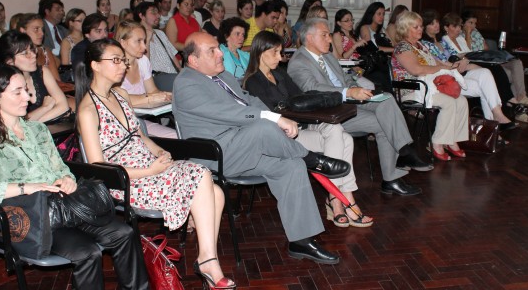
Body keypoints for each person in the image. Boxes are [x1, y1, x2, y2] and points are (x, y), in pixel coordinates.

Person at [0, 64, 154, 290]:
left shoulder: (37, 130)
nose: (29, 98)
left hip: (63, 208)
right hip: (32, 219)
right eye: (18, 92)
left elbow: (61, 168)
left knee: (124, 233)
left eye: (27, 90)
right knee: (88, 252)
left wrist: (67, 179)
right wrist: (26, 187)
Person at [75, 39, 235, 290]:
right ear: (95, 65)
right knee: (203, 175)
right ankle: (208, 262)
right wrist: (150, 171)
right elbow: (99, 169)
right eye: (114, 60)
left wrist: (159, 151)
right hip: (128, 180)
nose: (122, 66)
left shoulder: (120, 94)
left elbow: (140, 137)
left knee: (215, 192)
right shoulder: (87, 109)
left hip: (150, 167)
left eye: (123, 60)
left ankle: (207, 258)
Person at [173, 31, 350, 265]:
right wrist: (273, 120)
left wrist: (275, 116)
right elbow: (228, 113)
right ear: (193, 60)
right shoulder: (185, 83)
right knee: (263, 128)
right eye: (212, 51)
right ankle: (313, 160)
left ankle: (302, 240)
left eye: (218, 48)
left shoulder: (223, 76)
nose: (220, 54)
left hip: (245, 146)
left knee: (291, 165)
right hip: (215, 154)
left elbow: (249, 100)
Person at [288, 18, 432, 196]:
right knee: (385, 124)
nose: (330, 39)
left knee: (386, 99)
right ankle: (394, 173)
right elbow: (312, 89)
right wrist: (348, 92)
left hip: (348, 104)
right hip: (327, 114)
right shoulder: (298, 61)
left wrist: (356, 83)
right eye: (324, 35)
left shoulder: (327, 56)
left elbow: (344, 78)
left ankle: (403, 153)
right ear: (309, 37)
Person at [242, 31, 373, 227]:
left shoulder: (279, 73)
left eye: (280, 52)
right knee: (343, 138)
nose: (280, 57)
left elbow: (300, 97)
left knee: (340, 134)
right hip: (282, 138)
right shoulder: (253, 81)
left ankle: (336, 198)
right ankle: (343, 200)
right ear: (261, 52)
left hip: (299, 130)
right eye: (276, 52)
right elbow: (272, 114)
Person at [390, 11, 469, 161]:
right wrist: (440, 69)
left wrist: (454, 66)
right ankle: (437, 143)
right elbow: (416, 70)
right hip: (410, 90)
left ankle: (451, 140)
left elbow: (438, 62)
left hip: (429, 87)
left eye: (421, 26)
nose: (420, 29)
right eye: (416, 27)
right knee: (449, 102)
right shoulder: (402, 48)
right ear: (405, 29)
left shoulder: (420, 45)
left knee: (462, 100)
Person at [435, 13, 521, 126]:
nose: (458, 29)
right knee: (490, 70)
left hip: (471, 63)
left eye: (459, 26)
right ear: (446, 28)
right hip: (461, 68)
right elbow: (453, 59)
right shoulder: (444, 42)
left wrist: (467, 40)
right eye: (455, 26)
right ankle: (503, 107)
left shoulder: (460, 39)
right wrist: (466, 57)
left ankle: (497, 117)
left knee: (494, 68)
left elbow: (471, 52)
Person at [461, 10, 528, 111]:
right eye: (470, 23)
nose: (473, 26)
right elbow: (468, 51)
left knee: (516, 63)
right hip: (480, 63)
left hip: (489, 59)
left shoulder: (476, 33)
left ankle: (521, 96)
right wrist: (467, 34)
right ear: (463, 23)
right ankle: (516, 106)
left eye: (475, 23)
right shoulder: (460, 35)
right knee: (507, 73)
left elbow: (486, 48)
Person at [114, 21, 176, 138]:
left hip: (140, 120)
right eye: (138, 41)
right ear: (123, 42)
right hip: (120, 123)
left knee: (176, 136)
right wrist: (149, 98)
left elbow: (152, 90)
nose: (144, 47)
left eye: (144, 41)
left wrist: (166, 95)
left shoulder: (143, 61)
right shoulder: (114, 67)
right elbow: (117, 98)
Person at [0, 30, 69, 123]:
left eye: (32, 49)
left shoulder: (43, 71)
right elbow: (13, 122)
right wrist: (45, 108)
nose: (33, 55)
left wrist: (34, 124)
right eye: (25, 53)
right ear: (9, 61)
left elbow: (63, 106)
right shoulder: (3, 84)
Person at [15, 13, 61, 82]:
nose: (42, 33)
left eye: (42, 29)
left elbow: (56, 80)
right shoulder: (17, 54)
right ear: (23, 31)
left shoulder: (45, 52)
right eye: (36, 29)